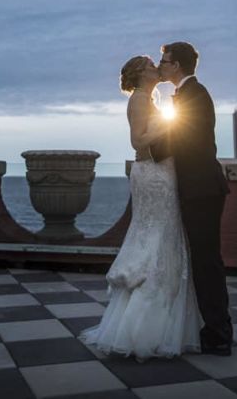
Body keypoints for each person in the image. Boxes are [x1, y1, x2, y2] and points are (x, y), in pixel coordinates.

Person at [79, 55, 202, 360]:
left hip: (161, 172)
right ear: (140, 73)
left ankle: (160, 323)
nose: (156, 68)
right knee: (156, 237)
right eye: (150, 65)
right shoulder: (139, 99)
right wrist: (173, 129)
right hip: (153, 175)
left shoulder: (149, 98)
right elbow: (138, 141)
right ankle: (144, 329)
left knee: (164, 237)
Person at [151, 41, 233, 355]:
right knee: (203, 260)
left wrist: (151, 147)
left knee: (206, 262)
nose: (160, 65)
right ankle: (214, 329)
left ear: (177, 66)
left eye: (164, 60)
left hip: (202, 190)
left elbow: (179, 140)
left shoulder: (194, 95)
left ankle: (218, 333)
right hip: (199, 188)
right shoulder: (187, 94)